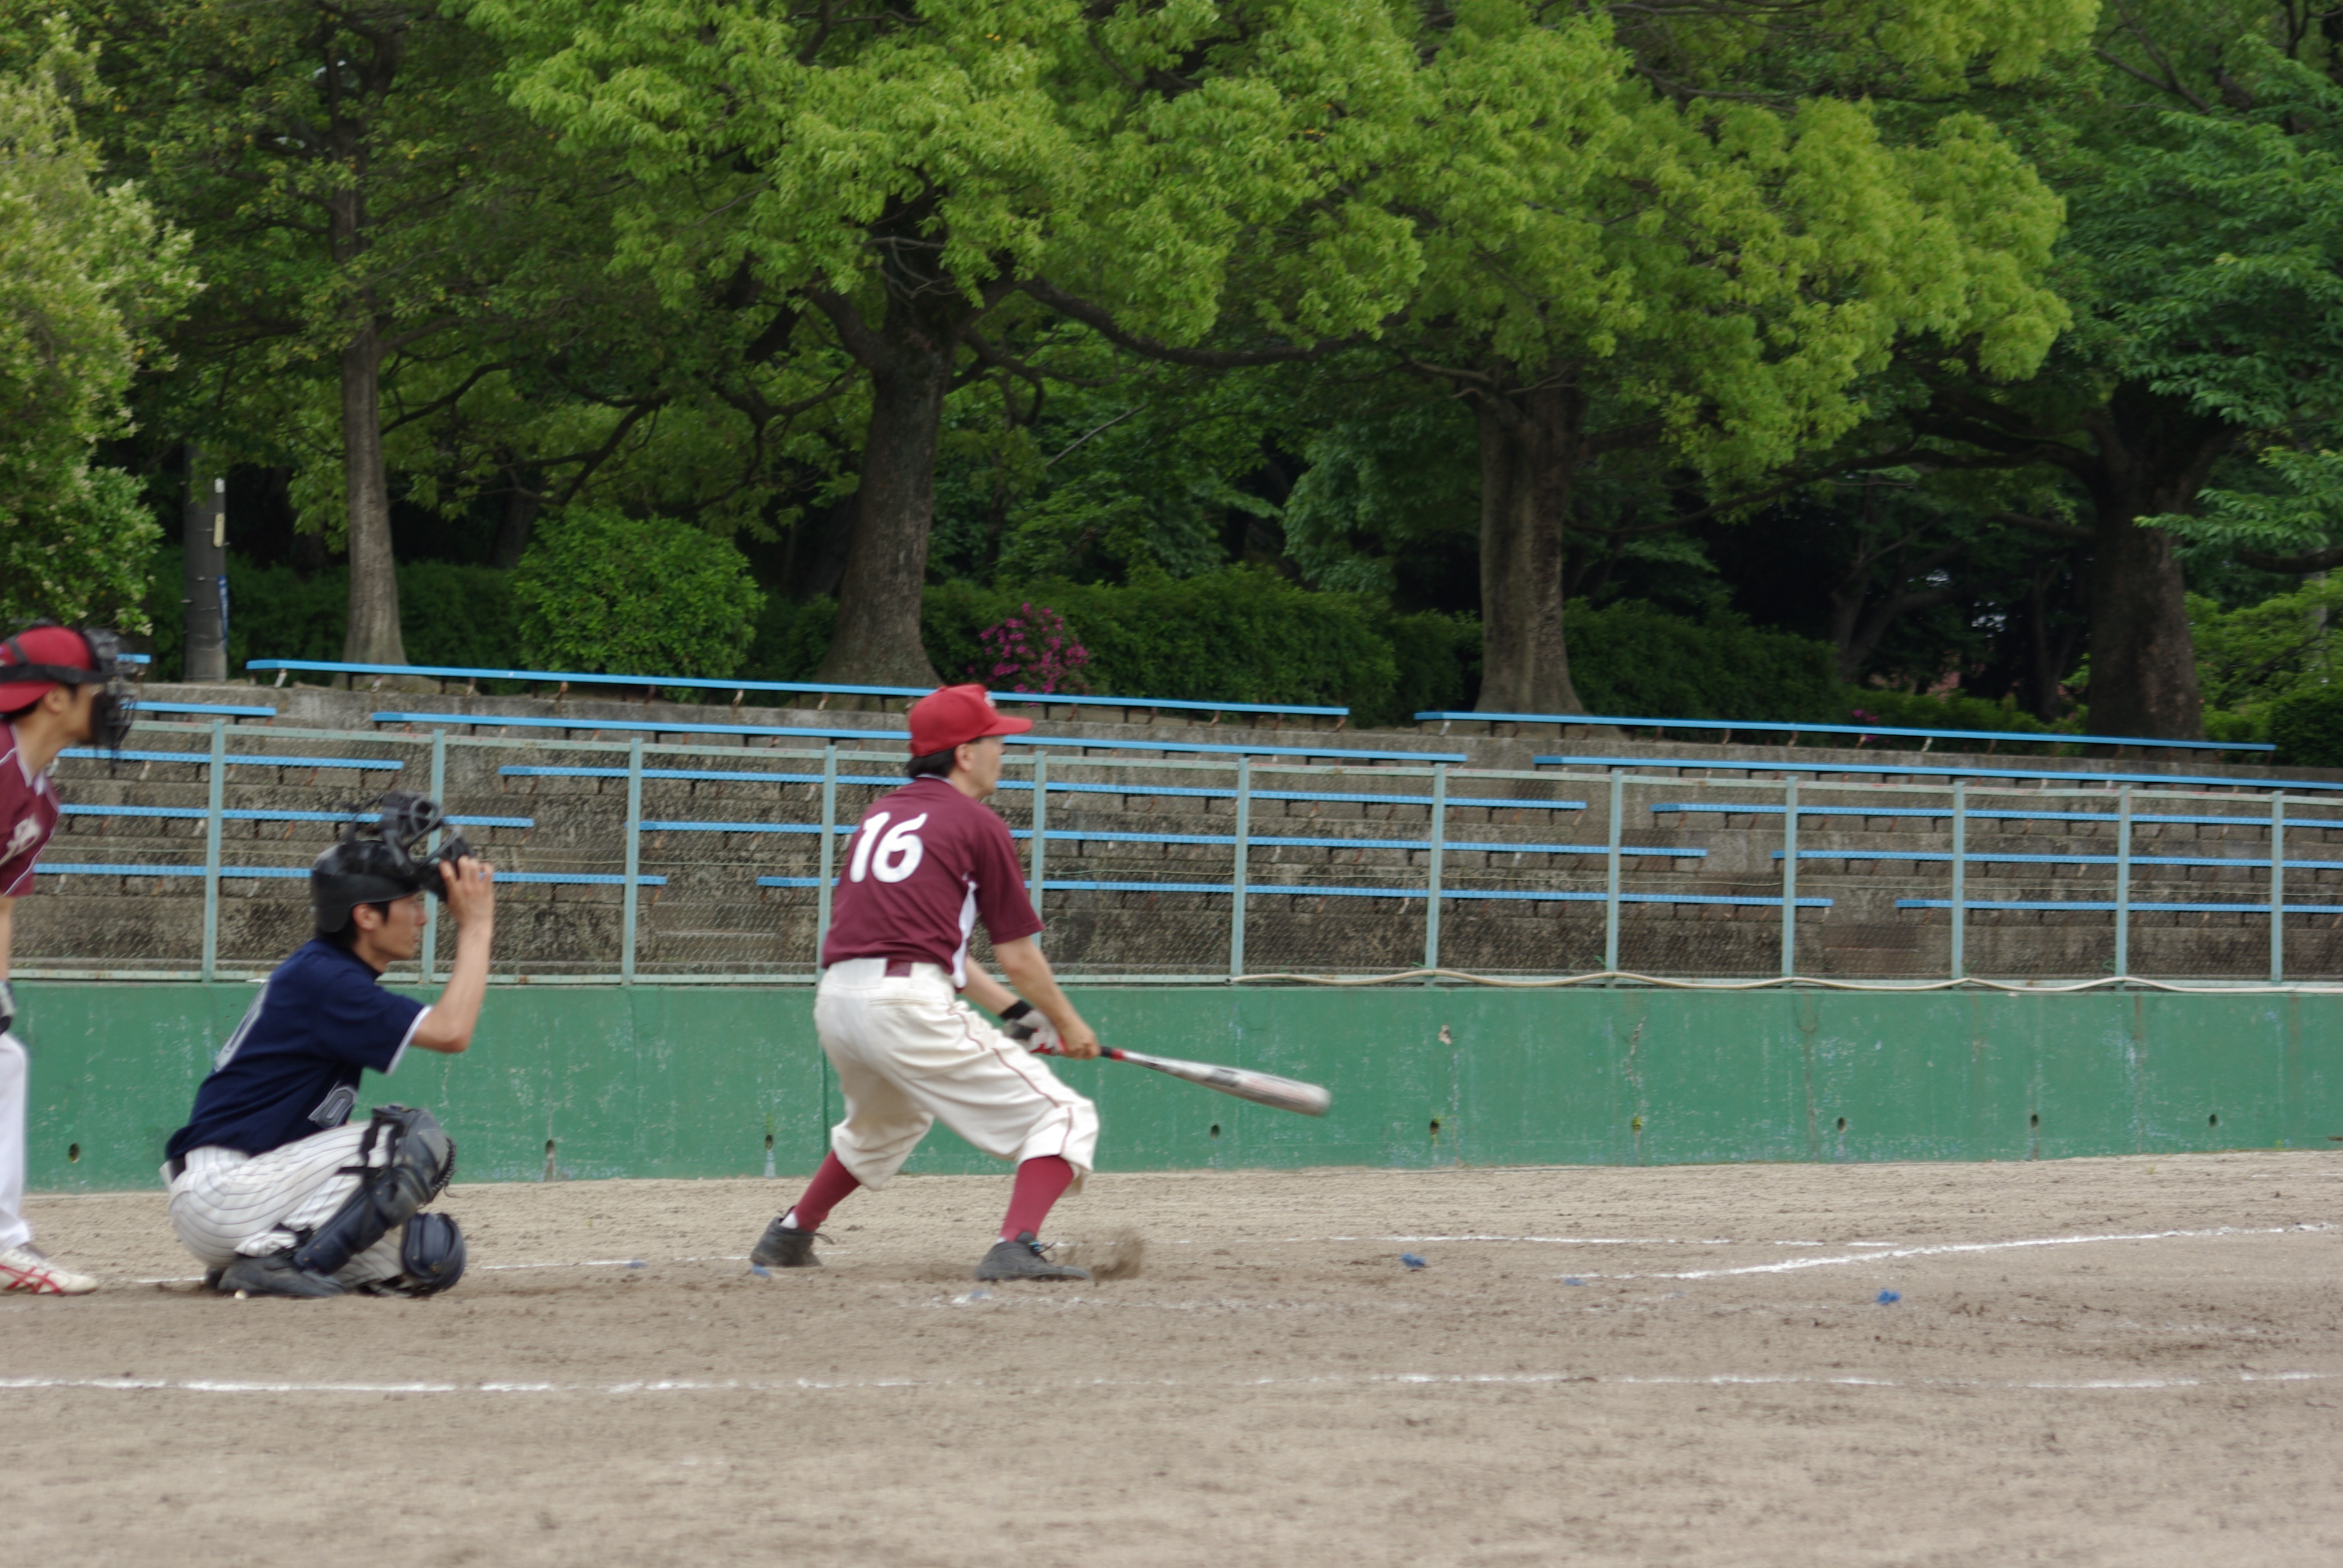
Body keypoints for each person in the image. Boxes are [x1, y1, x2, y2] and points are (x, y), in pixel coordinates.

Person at [752, 684, 1104, 1281]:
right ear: (965, 754)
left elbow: (934, 945)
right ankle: (1015, 1246)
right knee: (1065, 1116)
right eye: (994, 741)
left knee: (887, 1123)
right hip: (905, 1003)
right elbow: (1018, 955)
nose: (1002, 752)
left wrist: (1017, 1012)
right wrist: (1070, 1023)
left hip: (840, 1001)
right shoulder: (977, 823)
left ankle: (790, 1233)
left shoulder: (882, 814)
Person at [162, 794, 494, 1298]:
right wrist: (477, 926)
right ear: (366, 916)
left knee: (428, 1256)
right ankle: (277, 1260)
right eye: (410, 904)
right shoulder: (326, 980)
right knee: (412, 1141)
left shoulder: (330, 974)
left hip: (258, 1195)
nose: (422, 919)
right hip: (225, 1190)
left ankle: (257, 1255)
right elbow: (453, 1032)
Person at [0, 622, 136, 1295]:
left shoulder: (40, 797)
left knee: (5, 1057)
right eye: (95, 685)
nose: (108, 699)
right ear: (54, 697)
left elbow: (1, 902)